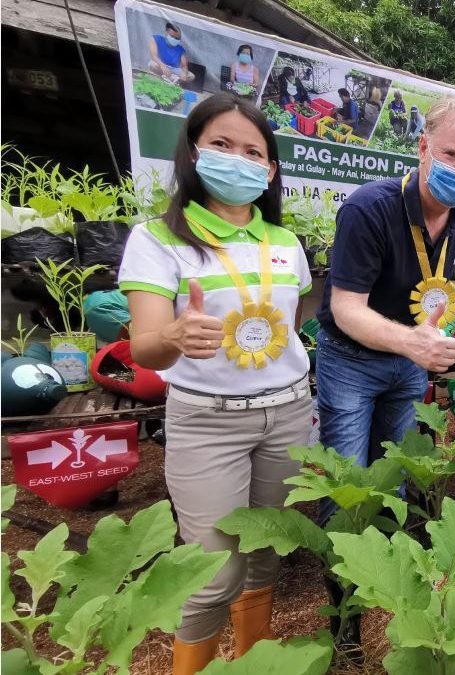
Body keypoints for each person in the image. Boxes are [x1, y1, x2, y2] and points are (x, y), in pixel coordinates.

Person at [118, 93, 313, 674]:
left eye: (253, 152)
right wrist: (175, 335)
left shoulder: (285, 243)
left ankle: (252, 662)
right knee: (210, 575)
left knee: (266, 553)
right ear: (193, 152)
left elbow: (293, 321)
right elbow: (143, 347)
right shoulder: (157, 238)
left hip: (288, 414)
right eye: (222, 145)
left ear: (270, 170)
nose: (238, 160)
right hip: (208, 420)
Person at [314, 97, 455, 648]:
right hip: (351, 360)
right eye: (452, 155)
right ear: (423, 147)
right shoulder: (368, 209)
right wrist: (413, 343)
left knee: (393, 478)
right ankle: (343, 614)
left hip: (407, 363)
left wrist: (437, 331)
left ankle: (387, 590)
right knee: (347, 485)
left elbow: (428, 288)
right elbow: (346, 307)